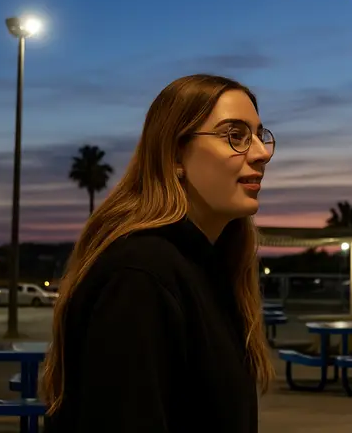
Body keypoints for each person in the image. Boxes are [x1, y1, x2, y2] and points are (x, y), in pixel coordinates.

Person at [41, 74, 276, 433]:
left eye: (260, 136)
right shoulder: (139, 278)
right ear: (176, 153)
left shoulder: (206, 267)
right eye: (235, 135)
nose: (262, 153)